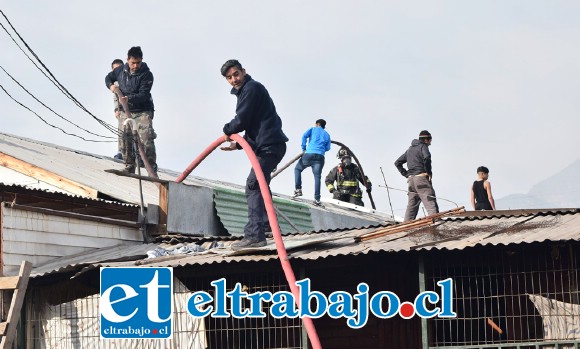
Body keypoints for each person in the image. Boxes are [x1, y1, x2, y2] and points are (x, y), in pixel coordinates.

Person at [219, 59, 288, 250]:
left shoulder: (252, 88)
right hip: (269, 144)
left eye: (236, 74)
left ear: (244, 71)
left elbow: (242, 120)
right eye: (229, 77)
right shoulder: (246, 92)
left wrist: (227, 130)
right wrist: (238, 145)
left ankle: (254, 235)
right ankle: (266, 227)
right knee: (260, 185)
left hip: (270, 147)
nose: (234, 79)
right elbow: (256, 125)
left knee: (253, 185)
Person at [105, 46, 157, 175]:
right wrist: (111, 86)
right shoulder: (120, 71)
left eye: (138, 62)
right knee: (125, 138)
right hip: (125, 111)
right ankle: (129, 166)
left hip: (142, 111)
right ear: (127, 60)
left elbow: (144, 94)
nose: (135, 66)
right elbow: (108, 78)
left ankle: (151, 169)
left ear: (142, 60)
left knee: (146, 139)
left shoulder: (147, 74)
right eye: (133, 63)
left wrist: (129, 98)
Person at [395, 130, 439, 221]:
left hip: (411, 181)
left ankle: (406, 227)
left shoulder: (409, 150)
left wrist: (406, 174)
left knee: (411, 206)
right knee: (430, 202)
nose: (430, 143)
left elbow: (397, 163)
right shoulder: (423, 146)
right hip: (421, 179)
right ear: (426, 140)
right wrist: (429, 172)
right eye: (430, 141)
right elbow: (427, 157)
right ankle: (436, 225)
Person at [292, 119, 331, 206]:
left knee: (297, 169)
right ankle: (317, 199)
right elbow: (328, 148)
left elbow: (304, 136)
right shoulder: (327, 135)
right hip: (320, 157)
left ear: (317, 124)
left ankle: (298, 189)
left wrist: (303, 148)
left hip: (309, 154)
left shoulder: (313, 129)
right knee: (317, 177)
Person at [111, 58, 124, 160]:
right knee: (121, 130)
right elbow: (116, 98)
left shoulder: (128, 78)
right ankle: (121, 152)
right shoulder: (115, 83)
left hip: (135, 109)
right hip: (122, 109)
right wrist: (116, 110)